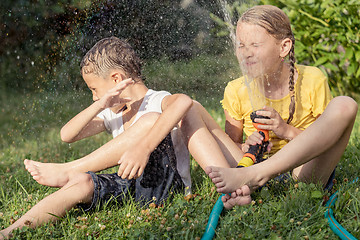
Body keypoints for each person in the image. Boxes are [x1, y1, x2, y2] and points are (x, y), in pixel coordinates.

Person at [1, 36, 243, 238]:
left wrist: (144, 148)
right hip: (130, 187)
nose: (95, 96)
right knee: (82, 183)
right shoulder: (113, 112)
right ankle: (11, 231)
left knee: (149, 121)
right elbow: (67, 135)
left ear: (116, 79)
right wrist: (100, 105)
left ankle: (69, 169)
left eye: (94, 90)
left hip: (167, 189)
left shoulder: (157, 101)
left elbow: (184, 102)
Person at [206, 5, 358, 209]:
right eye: (241, 45)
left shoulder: (312, 79)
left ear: (284, 47)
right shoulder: (235, 89)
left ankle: (254, 178)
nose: (246, 53)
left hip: (302, 172)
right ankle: (242, 189)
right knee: (192, 107)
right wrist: (247, 146)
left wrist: (286, 131)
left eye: (255, 45)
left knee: (345, 104)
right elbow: (233, 143)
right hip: (251, 164)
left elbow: (327, 140)